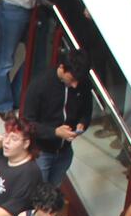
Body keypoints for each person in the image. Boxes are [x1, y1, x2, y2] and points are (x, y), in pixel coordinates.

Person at [22, 49, 91, 192]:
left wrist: (82, 124)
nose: (75, 85)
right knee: (38, 193)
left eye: (78, 81)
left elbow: (86, 111)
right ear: (61, 67)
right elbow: (27, 122)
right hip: (42, 152)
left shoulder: (82, 83)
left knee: (53, 192)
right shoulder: (40, 85)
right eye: (71, 80)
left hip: (65, 152)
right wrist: (55, 132)